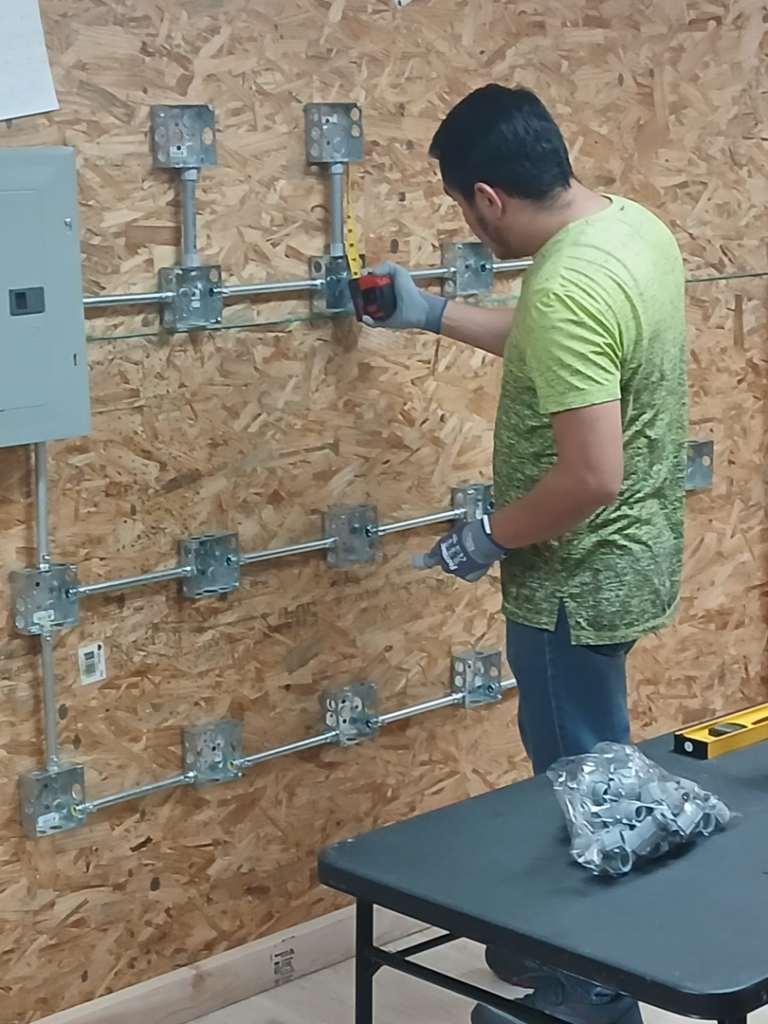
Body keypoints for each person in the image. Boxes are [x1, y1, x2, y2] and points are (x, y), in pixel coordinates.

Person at [365, 85, 687, 1024]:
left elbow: (587, 475)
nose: (469, 222)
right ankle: (562, 940)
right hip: (633, 560)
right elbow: (556, 343)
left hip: (571, 586)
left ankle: (593, 993)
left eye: (464, 207)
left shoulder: (572, 282)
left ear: (488, 198)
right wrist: (431, 315)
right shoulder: (628, 230)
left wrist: (485, 536)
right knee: (594, 761)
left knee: (586, 766)